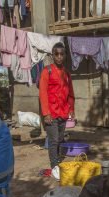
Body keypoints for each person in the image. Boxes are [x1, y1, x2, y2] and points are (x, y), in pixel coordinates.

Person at [39, 42, 76, 170]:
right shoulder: (47, 71)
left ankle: (58, 160)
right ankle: (54, 166)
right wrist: (46, 113)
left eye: (62, 54)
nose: (59, 57)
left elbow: (70, 93)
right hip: (51, 113)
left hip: (63, 112)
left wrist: (71, 109)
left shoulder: (67, 74)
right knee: (53, 140)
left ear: (65, 55)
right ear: (52, 56)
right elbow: (42, 93)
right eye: (57, 54)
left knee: (60, 139)